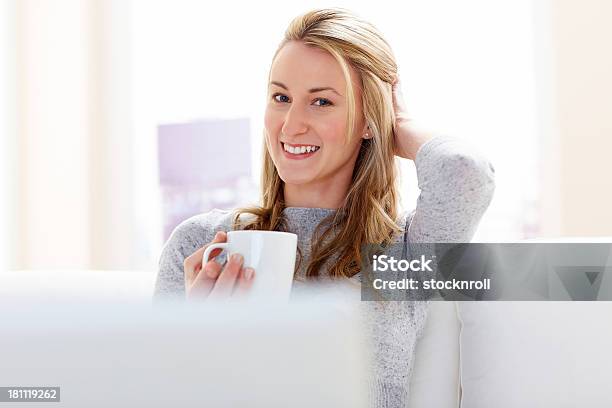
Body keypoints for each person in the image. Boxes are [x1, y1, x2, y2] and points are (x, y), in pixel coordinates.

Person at [154, 8, 495, 407]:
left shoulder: (399, 257)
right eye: (281, 98)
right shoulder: (201, 244)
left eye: (321, 102)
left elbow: (464, 172)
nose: (291, 125)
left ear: (368, 119)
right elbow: (158, 391)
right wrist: (197, 342)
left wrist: (395, 121)